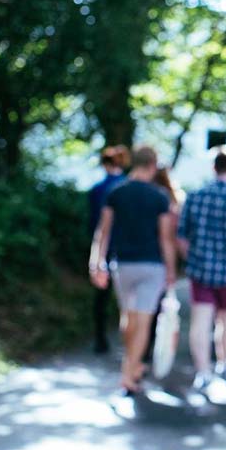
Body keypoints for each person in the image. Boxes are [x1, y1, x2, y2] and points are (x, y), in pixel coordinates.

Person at [89, 145, 176, 394]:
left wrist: (96, 262)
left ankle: (130, 367)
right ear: (152, 165)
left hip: (122, 264)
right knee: (143, 321)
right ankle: (130, 371)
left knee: (127, 318)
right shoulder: (159, 197)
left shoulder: (116, 193)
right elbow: (165, 238)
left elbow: (102, 232)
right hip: (151, 266)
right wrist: (171, 270)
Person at [177, 149, 226, 390]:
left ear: (213, 168)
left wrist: (191, 258)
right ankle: (223, 362)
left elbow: (181, 237)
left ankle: (203, 370)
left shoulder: (195, 197)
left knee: (201, 321)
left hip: (201, 269)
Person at [86, 145, 129, 354]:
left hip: (103, 249)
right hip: (125, 250)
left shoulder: (97, 190)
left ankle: (100, 339)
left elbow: (94, 224)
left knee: (101, 298)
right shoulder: (127, 186)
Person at [143, 166, 182, 366]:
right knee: (154, 307)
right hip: (157, 260)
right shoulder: (167, 199)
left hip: (142, 255)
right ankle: (146, 349)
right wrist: (172, 268)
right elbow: (170, 236)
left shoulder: (144, 195)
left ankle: (140, 350)